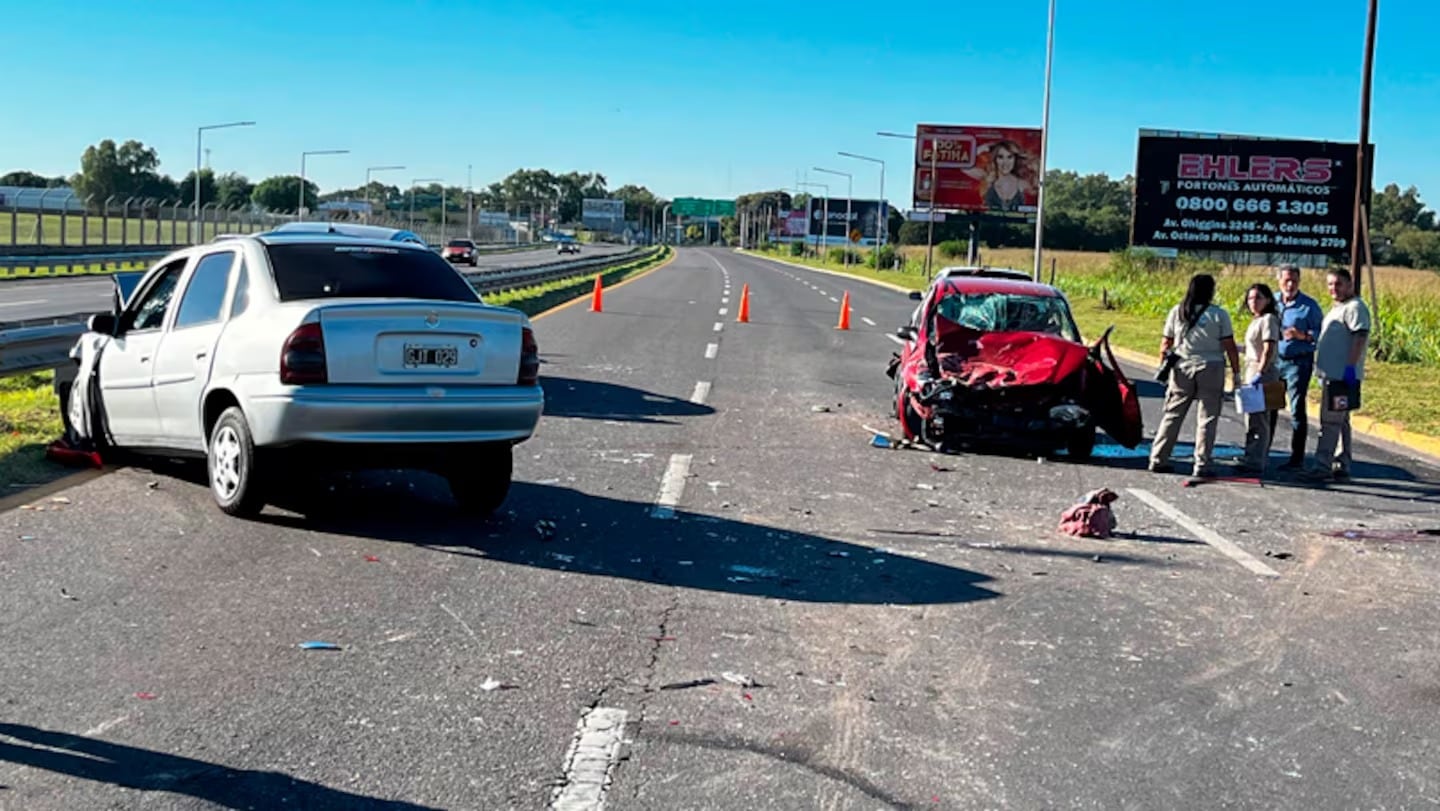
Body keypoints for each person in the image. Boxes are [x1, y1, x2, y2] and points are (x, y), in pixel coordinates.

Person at [1148, 273, 1243, 477]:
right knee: (1207, 417)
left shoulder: (1178, 311)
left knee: (1173, 414)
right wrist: (1236, 373)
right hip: (1211, 366)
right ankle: (1202, 463)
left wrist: (1163, 366)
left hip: (1182, 365)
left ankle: (1158, 457)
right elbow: (1230, 347)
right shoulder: (1218, 314)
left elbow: (1166, 344)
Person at [1302, 268, 1371, 482]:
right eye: (1330, 284)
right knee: (1341, 422)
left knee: (1330, 422)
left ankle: (1322, 466)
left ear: (1350, 284)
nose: (1334, 288)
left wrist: (1350, 366)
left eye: (1339, 284)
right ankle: (1342, 462)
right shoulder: (1338, 308)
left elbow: (1359, 337)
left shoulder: (1355, 308)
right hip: (1331, 375)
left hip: (1341, 377)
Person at [1269, 263, 1324, 470]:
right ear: (1279, 281)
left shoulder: (1309, 306)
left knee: (1296, 410)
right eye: (1286, 280)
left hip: (1298, 363)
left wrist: (1302, 335)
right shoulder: (1272, 302)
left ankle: (1297, 457)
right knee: (1270, 407)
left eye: (1294, 280)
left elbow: (1321, 335)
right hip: (1275, 362)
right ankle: (1263, 453)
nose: (1290, 284)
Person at [1238, 283, 1282, 475]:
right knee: (1251, 418)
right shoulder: (1256, 320)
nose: (1253, 302)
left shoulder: (1269, 320)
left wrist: (1260, 372)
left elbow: (1268, 348)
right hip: (1251, 368)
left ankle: (1257, 461)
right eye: (1250, 298)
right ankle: (1251, 455)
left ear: (1268, 300)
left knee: (1260, 420)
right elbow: (1251, 348)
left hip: (1263, 372)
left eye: (1258, 298)